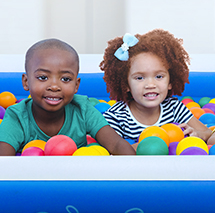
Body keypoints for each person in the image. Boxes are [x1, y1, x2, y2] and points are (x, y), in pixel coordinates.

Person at [0, 39, 135, 156]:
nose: (54, 86)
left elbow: (116, 144)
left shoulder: (83, 109)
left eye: (65, 79)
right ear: (26, 82)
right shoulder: (16, 116)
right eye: (43, 77)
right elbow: (4, 161)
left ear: (76, 85)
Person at [100, 29, 211, 147]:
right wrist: (152, 144)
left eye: (159, 76)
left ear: (170, 81)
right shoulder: (117, 117)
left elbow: (207, 132)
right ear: (126, 84)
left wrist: (197, 135)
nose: (150, 85)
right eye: (139, 78)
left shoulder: (174, 108)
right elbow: (110, 152)